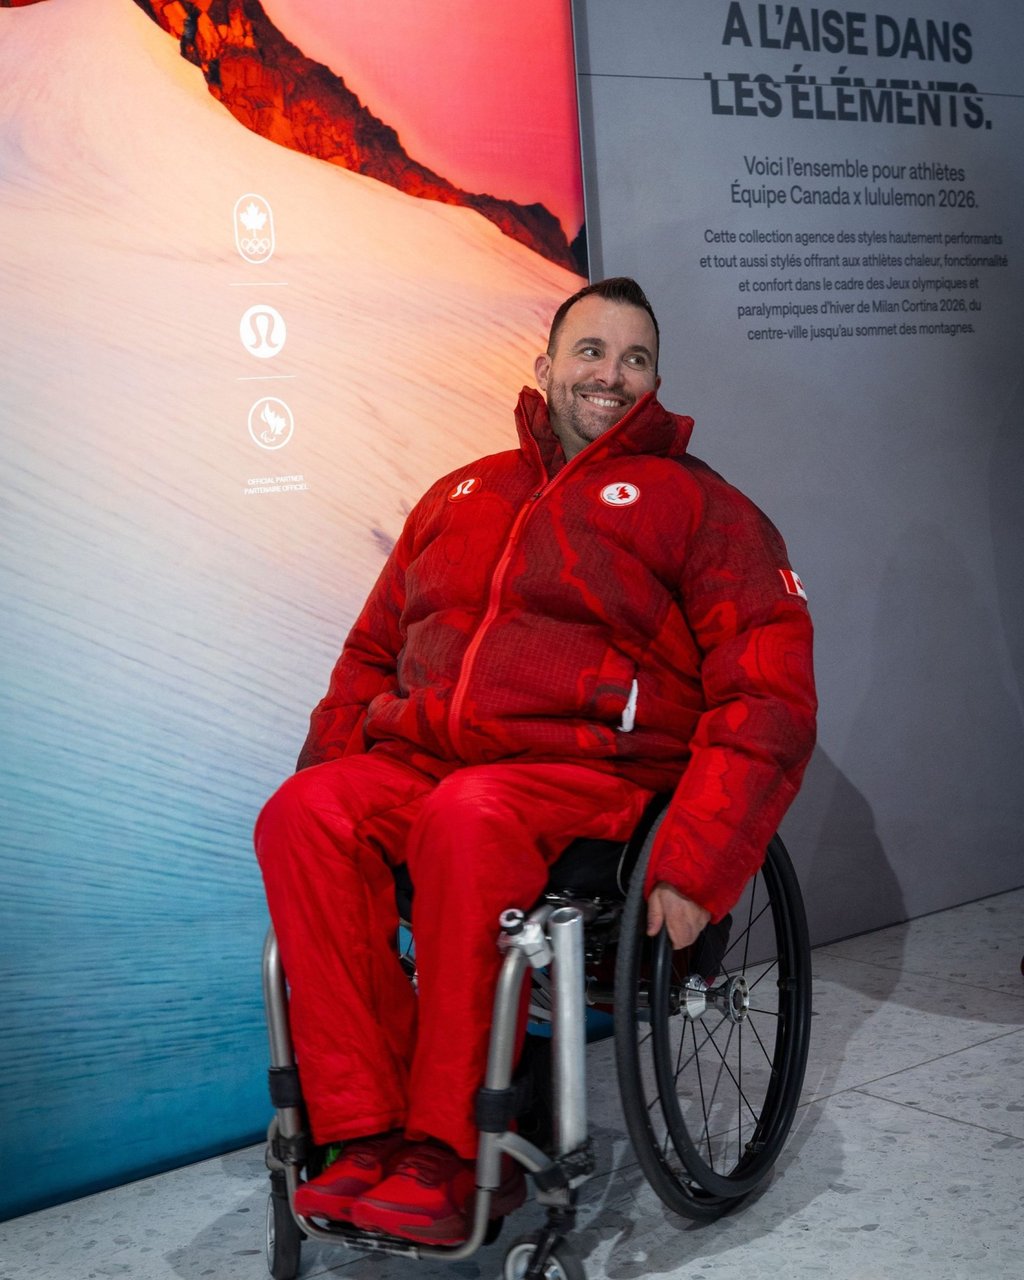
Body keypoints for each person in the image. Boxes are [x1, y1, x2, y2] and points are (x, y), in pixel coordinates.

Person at [255, 277, 816, 1244]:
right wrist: (323, 771)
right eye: (590, 352)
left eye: (634, 359)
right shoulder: (462, 492)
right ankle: (363, 1134)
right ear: (545, 365)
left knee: (467, 816)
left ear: (655, 381)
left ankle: (455, 1146)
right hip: (432, 759)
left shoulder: (700, 507)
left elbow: (767, 691)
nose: (610, 375)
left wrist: (700, 861)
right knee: (301, 816)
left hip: (589, 776)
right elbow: (367, 656)